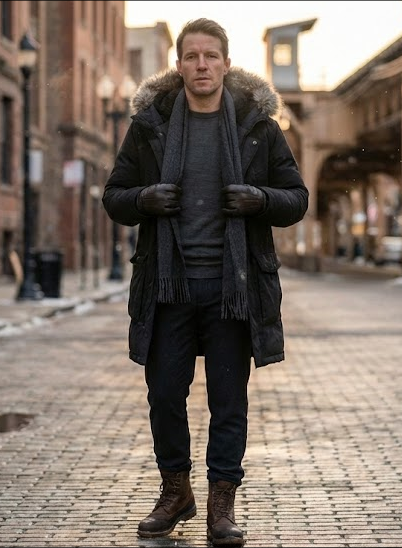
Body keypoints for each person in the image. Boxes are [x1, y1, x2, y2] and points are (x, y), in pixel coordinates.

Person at [102, 18, 308, 547]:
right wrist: (142, 198)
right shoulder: (152, 125)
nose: (201, 65)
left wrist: (260, 199)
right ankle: (176, 490)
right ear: (178, 65)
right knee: (164, 394)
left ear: (225, 63)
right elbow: (115, 196)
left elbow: (297, 199)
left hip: (232, 287)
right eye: (191, 56)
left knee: (227, 400)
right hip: (167, 287)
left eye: (210, 56)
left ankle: (221, 504)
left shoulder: (258, 126)